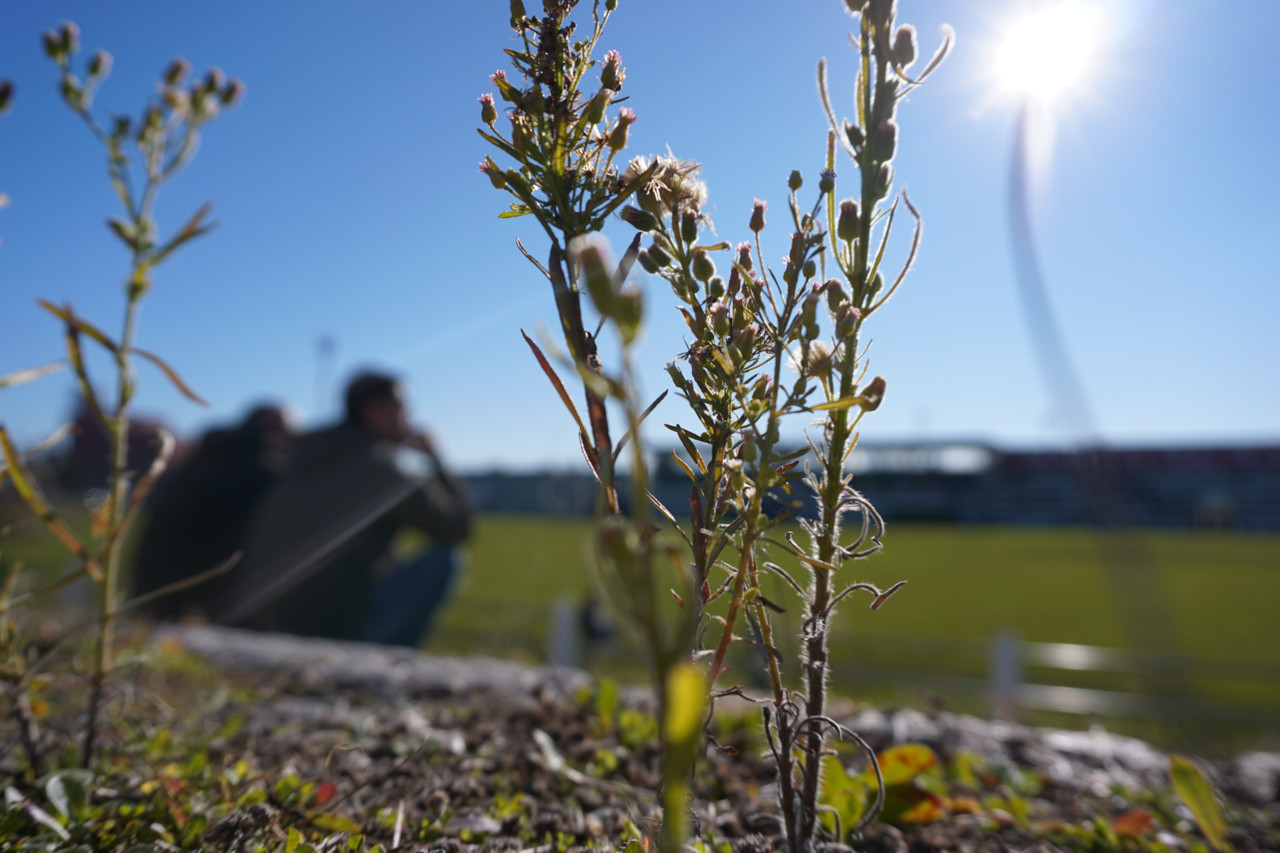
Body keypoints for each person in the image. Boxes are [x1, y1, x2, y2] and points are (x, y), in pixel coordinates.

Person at [222, 371, 472, 646]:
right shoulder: (383, 467)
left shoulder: (304, 454)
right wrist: (436, 459)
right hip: (327, 626)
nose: (408, 416)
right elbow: (457, 529)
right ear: (374, 410)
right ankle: (391, 663)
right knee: (446, 558)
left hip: (260, 615)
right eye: (402, 406)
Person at [131, 404, 296, 621]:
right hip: (201, 593)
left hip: (155, 583)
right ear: (276, 430)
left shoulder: (205, 456)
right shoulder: (262, 468)